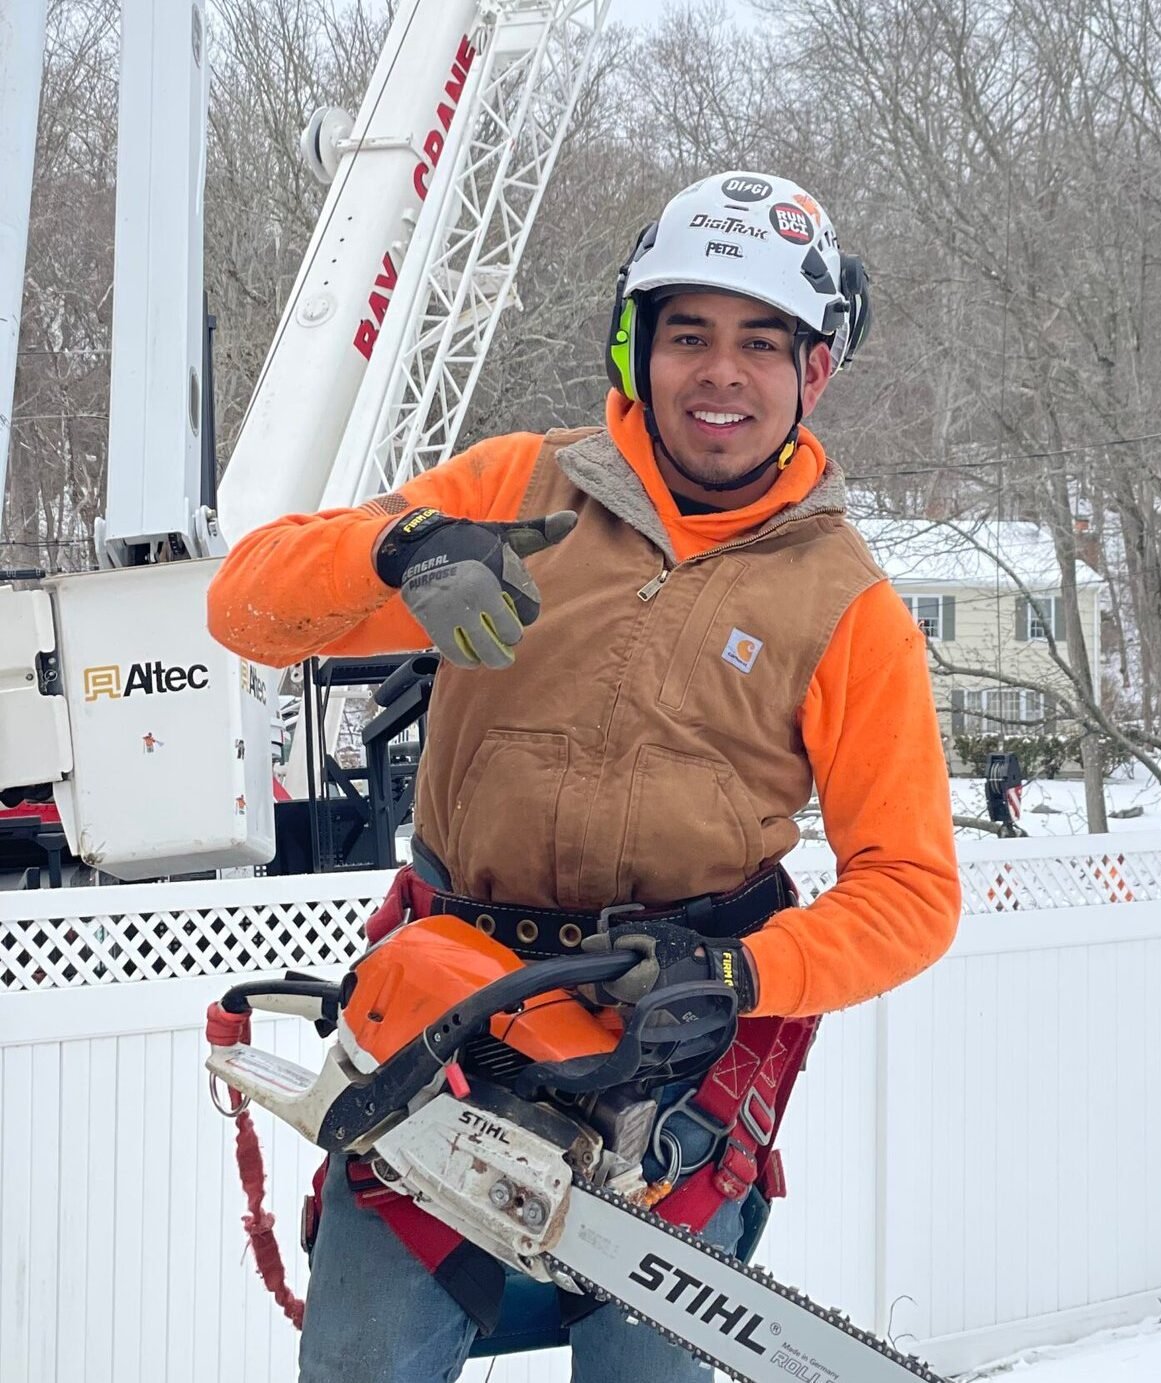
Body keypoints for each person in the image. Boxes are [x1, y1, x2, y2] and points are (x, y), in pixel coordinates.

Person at [208, 169, 961, 1383]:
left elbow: (911, 893)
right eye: (690, 334)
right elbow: (246, 607)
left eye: (762, 343)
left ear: (813, 371)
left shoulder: (851, 609)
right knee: (365, 1360)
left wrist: (741, 971)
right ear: (637, 346)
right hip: (452, 1014)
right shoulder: (511, 490)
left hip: (675, 1055)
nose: (722, 372)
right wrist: (400, 549)